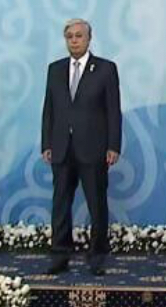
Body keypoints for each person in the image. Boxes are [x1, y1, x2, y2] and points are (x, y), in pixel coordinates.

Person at [40, 19, 122, 276]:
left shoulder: (106, 69)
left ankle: (97, 256)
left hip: (94, 148)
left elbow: (113, 110)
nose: (74, 40)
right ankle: (59, 255)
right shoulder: (55, 69)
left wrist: (113, 145)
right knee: (60, 204)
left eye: (79, 36)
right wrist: (47, 143)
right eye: (70, 37)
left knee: (97, 204)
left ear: (89, 39)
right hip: (62, 147)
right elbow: (49, 109)